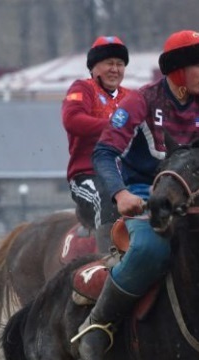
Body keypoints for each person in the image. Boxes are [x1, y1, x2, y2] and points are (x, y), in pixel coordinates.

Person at [76, 30, 199, 360]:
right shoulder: (140, 101)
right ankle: (99, 323)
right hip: (145, 192)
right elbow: (104, 154)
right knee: (151, 250)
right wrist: (120, 193)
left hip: (196, 196)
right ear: (178, 69)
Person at [61, 35, 131, 253]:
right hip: (87, 176)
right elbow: (72, 120)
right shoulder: (83, 88)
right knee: (108, 198)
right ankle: (110, 264)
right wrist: (113, 126)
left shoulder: (132, 97)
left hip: (127, 176)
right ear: (94, 67)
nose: (115, 69)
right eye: (109, 63)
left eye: (120, 64)